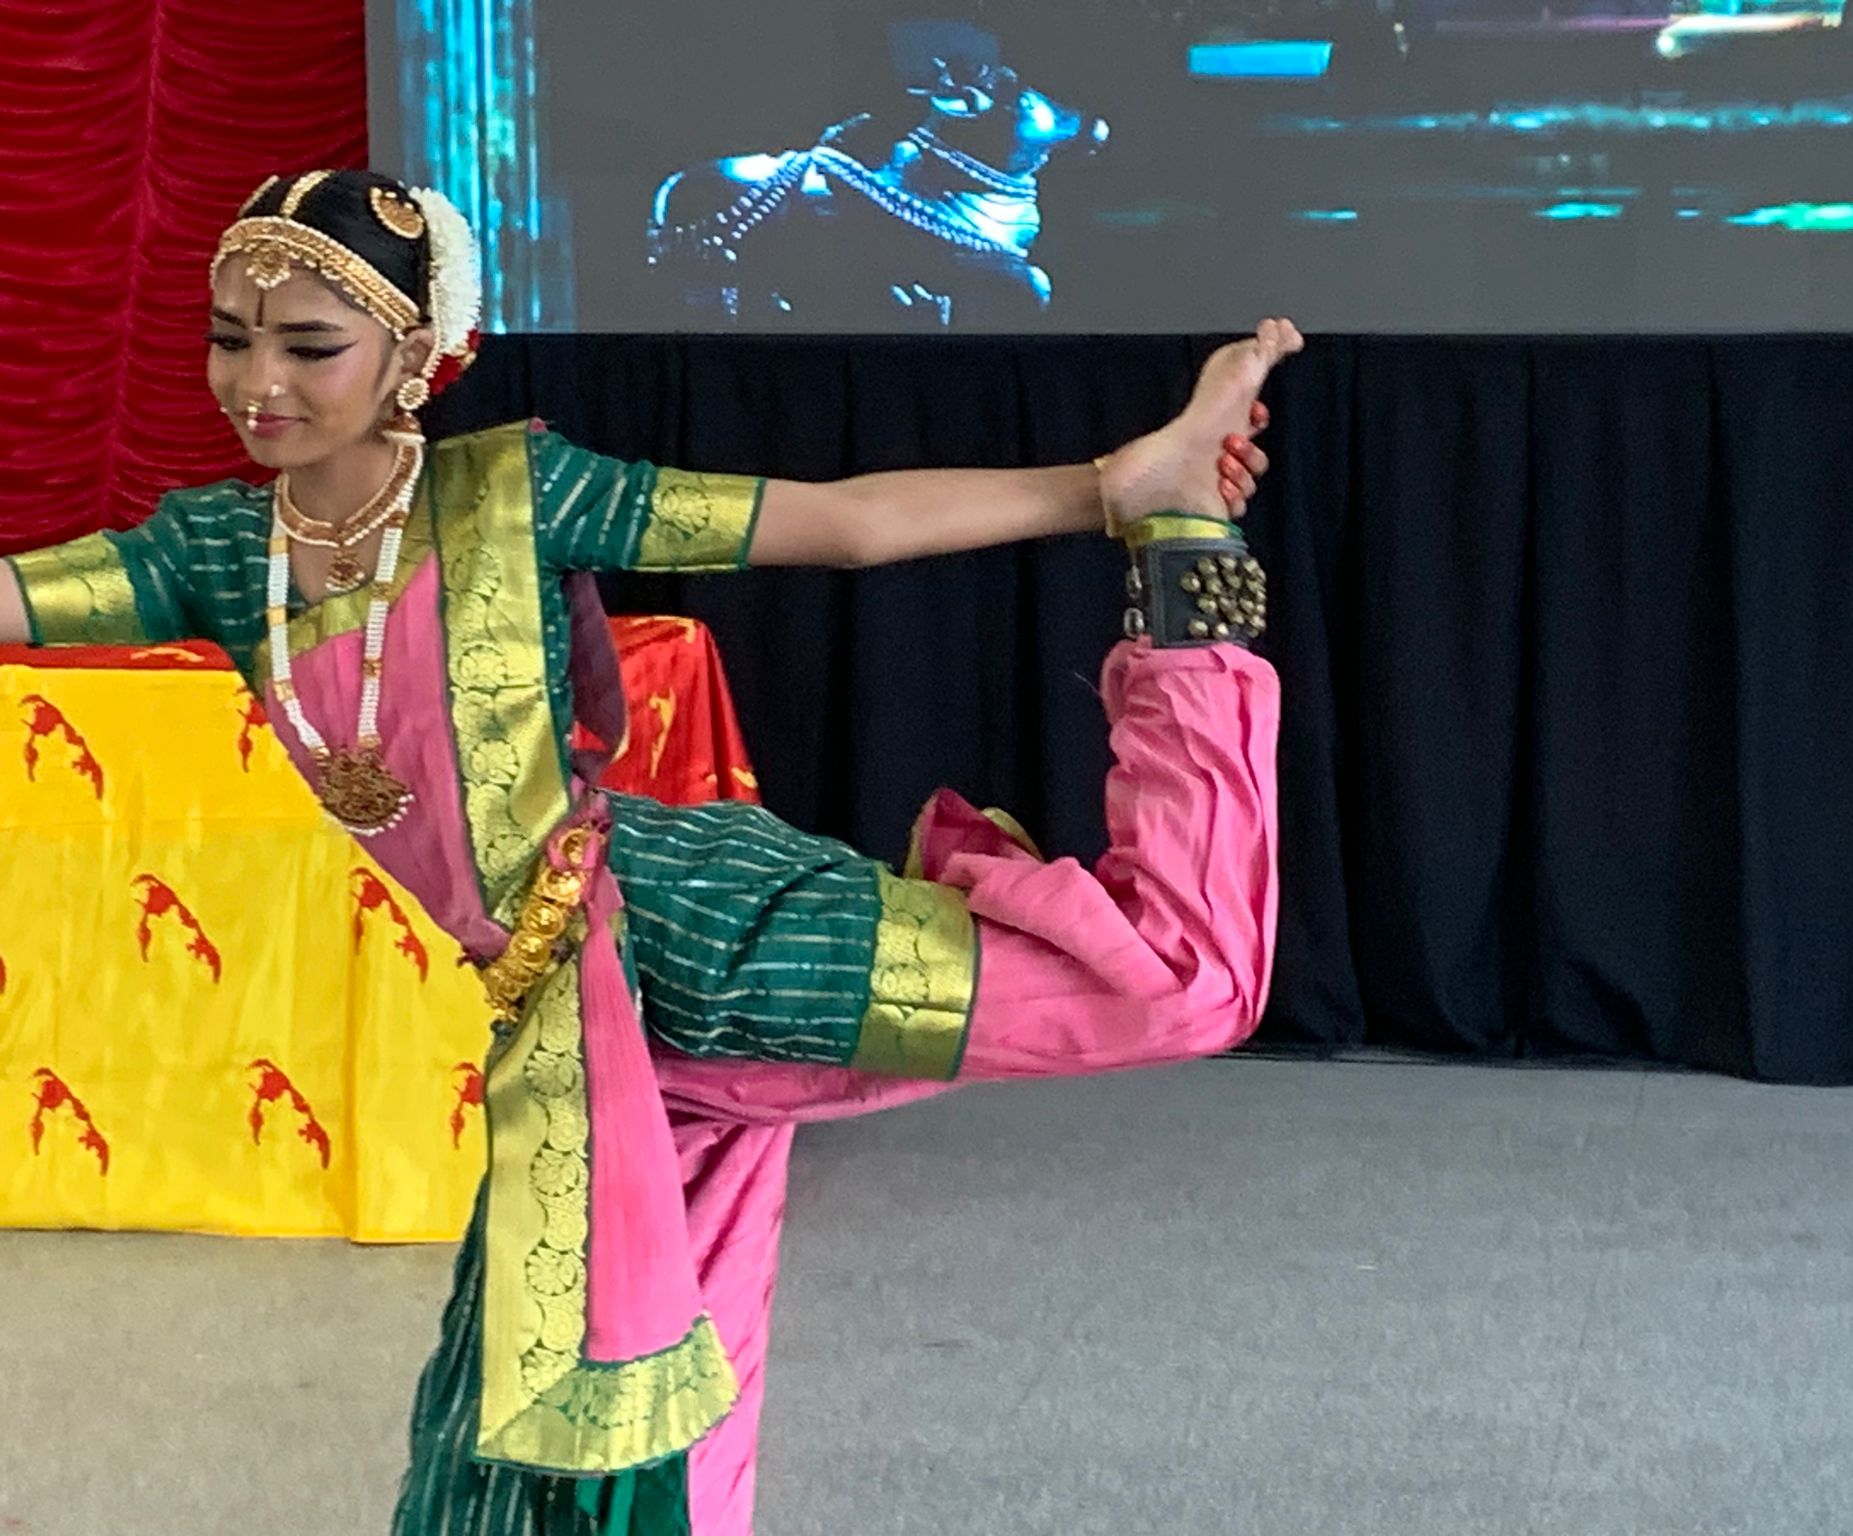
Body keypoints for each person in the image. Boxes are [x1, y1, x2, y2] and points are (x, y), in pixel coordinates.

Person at [0, 167, 1300, 1534]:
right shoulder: (219, 553)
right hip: (572, 1017)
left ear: (415, 355)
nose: (257, 382)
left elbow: (848, 524)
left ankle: (1188, 572)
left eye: (309, 346)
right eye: (229, 337)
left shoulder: (513, 493)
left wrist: (1117, 490)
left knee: (1184, 980)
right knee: (609, 1367)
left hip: (690, 942)